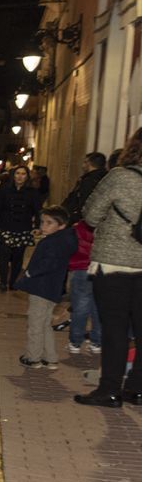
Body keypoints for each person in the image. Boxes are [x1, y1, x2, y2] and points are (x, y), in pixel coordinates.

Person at [77, 131, 142, 407]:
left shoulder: (119, 177)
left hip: (114, 264)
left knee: (115, 328)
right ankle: (137, 389)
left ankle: (110, 390)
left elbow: (90, 215)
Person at [15, 206, 76, 370]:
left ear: (61, 225)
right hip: (52, 289)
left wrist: (29, 273)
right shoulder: (64, 240)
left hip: (41, 287)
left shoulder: (52, 242)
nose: (43, 226)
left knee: (35, 324)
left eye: (49, 223)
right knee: (44, 324)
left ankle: (33, 357)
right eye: (42, 222)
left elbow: (48, 263)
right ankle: (50, 358)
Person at [0, 165, 42, 291]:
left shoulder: (33, 192)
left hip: (23, 228)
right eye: (17, 173)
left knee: (18, 258)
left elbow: (38, 211)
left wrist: (37, 226)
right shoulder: (4, 190)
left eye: (23, 174)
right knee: (4, 256)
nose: (20, 176)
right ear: (13, 175)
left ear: (27, 176)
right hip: (6, 227)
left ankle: (13, 282)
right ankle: (3, 282)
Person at [66, 218, 101, 356]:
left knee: (80, 306)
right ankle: (96, 343)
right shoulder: (111, 225)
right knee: (99, 307)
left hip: (81, 267)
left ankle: (75, 342)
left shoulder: (79, 228)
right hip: (103, 269)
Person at [62, 151, 108, 219]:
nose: (82, 166)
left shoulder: (88, 181)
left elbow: (81, 201)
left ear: (88, 163)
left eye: (84, 162)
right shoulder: (106, 179)